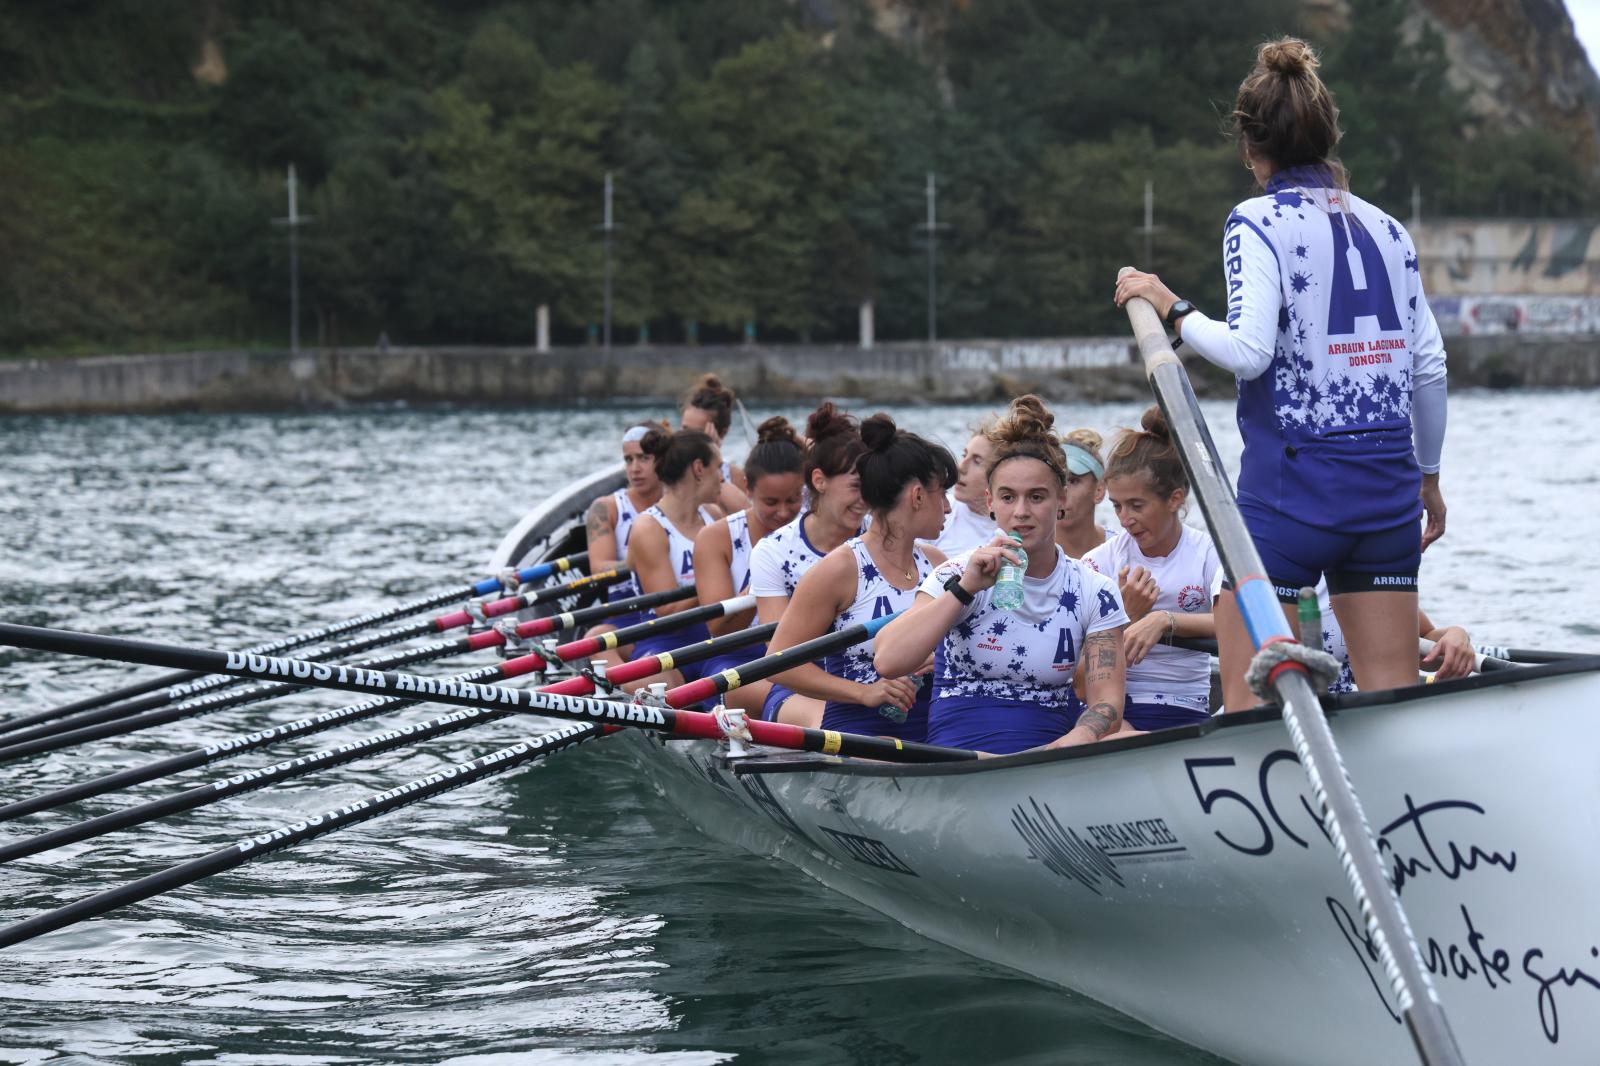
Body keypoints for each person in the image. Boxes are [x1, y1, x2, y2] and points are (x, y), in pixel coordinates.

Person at [1113, 37, 1448, 712]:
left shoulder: (1255, 222)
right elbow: (1429, 367)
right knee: (1395, 703)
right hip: (1386, 494)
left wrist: (1170, 306)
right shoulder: (1389, 229)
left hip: (1291, 497)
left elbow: (1248, 353)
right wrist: (1429, 481)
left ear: (1249, 147)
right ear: (1329, 137)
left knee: (1248, 707)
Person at [875, 396, 1129, 754]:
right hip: (959, 759)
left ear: (1061, 500)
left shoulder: (1094, 589)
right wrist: (965, 589)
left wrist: (1078, 739)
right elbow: (887, 661)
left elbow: (1107, 704)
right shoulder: (957, 574)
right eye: (1008, 497)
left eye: (1037, 497)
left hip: (1048, 757)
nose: (1021, 512)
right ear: (991, 502)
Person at [767, 414, 954, 743]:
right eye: (942, 494)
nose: (949, 508)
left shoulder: (939, 565)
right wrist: (863, 692)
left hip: (936, 728)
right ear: (917, 496)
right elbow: (779, 662)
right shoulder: (839, 569)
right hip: (863, 733)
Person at [1082, 407, 1220, 730]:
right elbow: (1075, 668)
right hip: (1118, 709)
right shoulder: (1099, 562)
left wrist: (1164, 620)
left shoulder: (1208, 552)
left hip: (1188, 705)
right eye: (1116, 505)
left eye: (1136, 505)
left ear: (1175, 499)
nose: (1124, 519)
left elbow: (1242, 621)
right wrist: (1126, 613)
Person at [746, 403, 868, 726]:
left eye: (871, 487)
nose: (865, 499)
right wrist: (856, 692)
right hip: (798, 687)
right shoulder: (772, 552)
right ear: (819, 480)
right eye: (856, 487)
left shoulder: (883, 537)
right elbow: (781, 659)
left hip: (872, 683)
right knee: (839, 726)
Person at [692, 416, 807, 715]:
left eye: (794, 500)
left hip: (805, 656)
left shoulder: (816, 531)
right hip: (738, 661)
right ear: (747, 487)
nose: (784, 513)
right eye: (771, 502)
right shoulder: (716, 538)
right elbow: (720, 631)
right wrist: (764, 581)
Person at [616, 428, 724, 691]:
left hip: (716, 640)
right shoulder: (649, 527)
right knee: (657, 686)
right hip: (666, 647)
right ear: (699, 469)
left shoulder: (714, 514)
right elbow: (668, 609)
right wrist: (722, 583)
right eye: (718, 467)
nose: (722, 477)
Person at [584, 420, 668, 652]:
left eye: (644, 458)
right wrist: (639, 562)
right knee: (594, 640)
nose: (634, 468)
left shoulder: (686, 505)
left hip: (676, 612)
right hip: (627, 617)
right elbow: (599, 569)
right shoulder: (606, 508)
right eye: (628, 460)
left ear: (664, 460)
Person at [680, 373, 750, 512]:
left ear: (722, 433)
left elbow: (747, 515)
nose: (687, 438)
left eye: (697, 433)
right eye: (685, 430)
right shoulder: (671, 470)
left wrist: (710, 461)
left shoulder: (734, 476)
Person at [936, 418, 998, 555]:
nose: (960, 467)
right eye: (964, 455)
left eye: (977, 461)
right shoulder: (938, 510)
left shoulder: (1016, 527)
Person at [1053, 427, 1114, 558]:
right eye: (1056, 480)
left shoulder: (1122, 550)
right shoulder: (1025, 552)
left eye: (1073, 481)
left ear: (1099, 491)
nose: (1062, 492)